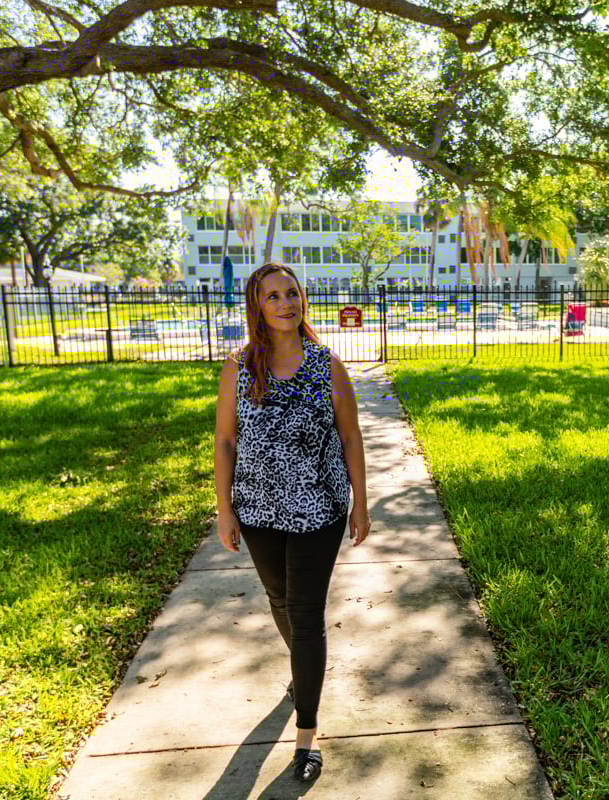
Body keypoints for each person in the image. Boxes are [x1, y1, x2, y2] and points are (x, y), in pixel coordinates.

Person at [214, 263, 370, 782]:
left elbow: (350, 438)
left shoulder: (328, 365)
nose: (286, 303)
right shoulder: (240, 365)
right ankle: (302, 670)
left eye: (293, 294)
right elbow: (226, 442)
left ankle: (307, 734)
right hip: (257, 509)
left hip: (318, 508)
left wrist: (361, 503)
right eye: (274, 296)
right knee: (278, 600)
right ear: (257, 306)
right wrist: (224, 509)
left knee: (306, 614)